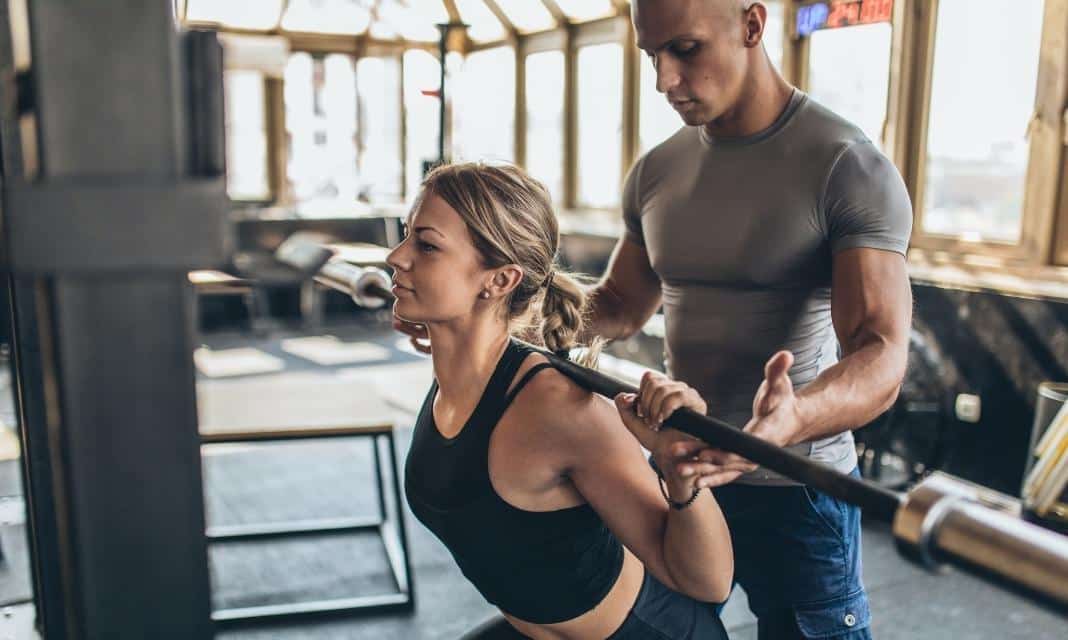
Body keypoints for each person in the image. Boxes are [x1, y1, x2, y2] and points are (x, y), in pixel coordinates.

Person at [398, 1, 913, 638]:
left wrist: (791, 420)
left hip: (793, 482)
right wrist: (478, 318)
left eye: (686, 50)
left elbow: (882, 352)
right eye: (652, 55)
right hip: (678, 459)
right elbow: (616, 305)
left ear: (752, 25)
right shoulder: (658, 171)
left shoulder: (845, 165)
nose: (665, 78)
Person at [387, 162, 735, 640]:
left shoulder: (560, 411)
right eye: (406, 236)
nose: (396, 256)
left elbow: (709, 583)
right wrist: (439, 326)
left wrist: (680, 473)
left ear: (500, 280)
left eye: (426, 245)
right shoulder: (465, 371)